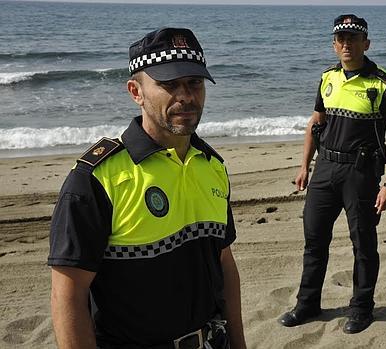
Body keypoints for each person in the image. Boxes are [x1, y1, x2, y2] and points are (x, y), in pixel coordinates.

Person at [48, 27, 247, 349]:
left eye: (194, 83)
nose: (185, 96)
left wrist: (238, 344)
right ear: (135, 91)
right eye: (168, 85)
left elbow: (223, 260)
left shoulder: (211, 165)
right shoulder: (97, 177)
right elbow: (68, 294)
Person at [278, 14, 386, 334]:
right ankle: (307, 305)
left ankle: (362, 308)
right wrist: (304, 166)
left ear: (367, 43)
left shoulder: (383, 82)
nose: (347, 44)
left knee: (363, 243)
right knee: (314, 240)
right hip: (325, 169)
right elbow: (315, 123)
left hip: (361, 173)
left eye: (353, 38)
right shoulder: (327, 78)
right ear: (334, 44)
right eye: (341, 39)